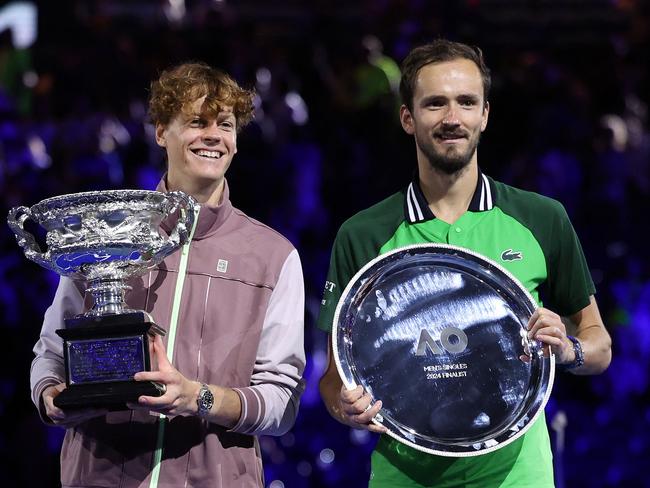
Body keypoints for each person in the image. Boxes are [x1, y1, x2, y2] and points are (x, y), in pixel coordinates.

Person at [317, 39, 612, 487]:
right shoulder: (363, 233)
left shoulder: (541, 218)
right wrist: (346, 407)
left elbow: (599, 346)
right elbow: (334, 381)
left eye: (465, 103)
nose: (452, 118)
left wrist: (567, 349)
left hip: (516, 475)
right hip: (405, 475)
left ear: (485, 115)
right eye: (435, 104)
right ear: (407, 118)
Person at [30, 62, 306, 487]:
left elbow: (282, 405)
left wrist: (198, 398)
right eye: (197, 122)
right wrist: (51, 396)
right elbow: (50, 353)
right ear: (161, 131)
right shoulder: (104, 233)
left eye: (226, 125)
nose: (213, 135)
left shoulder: (273, 256)